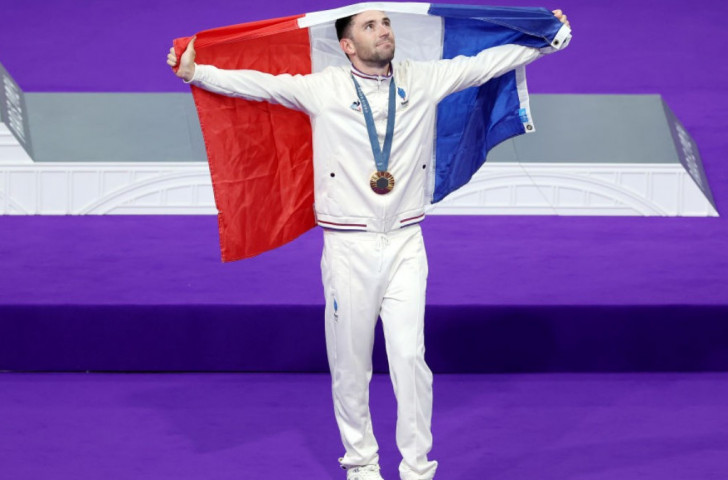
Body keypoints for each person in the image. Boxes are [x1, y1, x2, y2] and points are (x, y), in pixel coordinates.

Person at [168, 8, 570, 480]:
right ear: (347, 45)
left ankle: (418, 468)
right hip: (348, 247)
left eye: (386, 24)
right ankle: (361, 464)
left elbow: (485, 63)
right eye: (370, 26)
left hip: (405, 243)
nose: (383, 32)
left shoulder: (423, 80)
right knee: (351, 364)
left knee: (409, 359)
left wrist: (547, 40)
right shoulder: (324, 89)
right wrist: (197, 72)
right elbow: (259, 83)